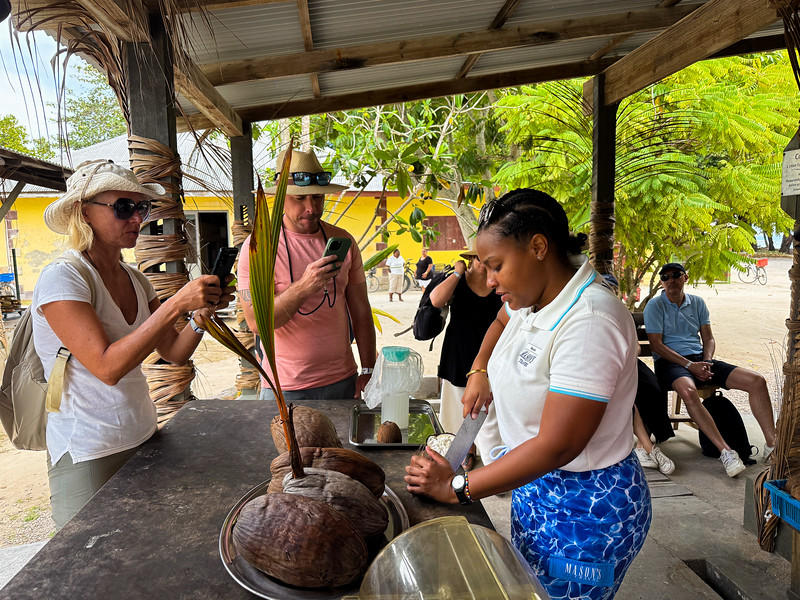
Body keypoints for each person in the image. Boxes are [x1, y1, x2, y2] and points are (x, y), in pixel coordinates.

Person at [405, 188, 651, 600]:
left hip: (585, 511)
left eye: (496, 265)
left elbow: (557, 446)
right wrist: (480, 368)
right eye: (484, 267)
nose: (489, 280)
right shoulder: (534, 297)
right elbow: (502, 321)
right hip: (538, 493)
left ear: (538, 247)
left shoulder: (589, 321)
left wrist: (457, 487)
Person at [33, 159, 234, 529]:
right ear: (84, 211)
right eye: (123, 207)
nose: (136, 219)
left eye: (141, 207)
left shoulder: (137, 280)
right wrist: (177, 302)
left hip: (143, 433)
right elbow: (107, 368)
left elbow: (173, 351)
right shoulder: (64, 277)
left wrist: (201, 315)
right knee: (86, 567)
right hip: (89, 448)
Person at [238, 149, 376, 401]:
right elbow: (257, 323)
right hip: (284, 386)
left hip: (343, 380)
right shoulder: (259, 247)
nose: (311, 208)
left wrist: (368, 370)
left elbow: (361, 310)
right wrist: (304, 286)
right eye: (300, 198)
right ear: (281, 198)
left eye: (317, 197)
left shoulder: (344, 240)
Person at [643, 262, 776, 477]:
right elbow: (657, 345)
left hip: (700, 359)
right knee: (688, 391)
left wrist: (706, 361)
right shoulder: (655, 306)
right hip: (672, 364)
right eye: (665, 277)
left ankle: (772, 445)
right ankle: (726, 452)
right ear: (661, 282)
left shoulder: (697, 303)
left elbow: (709, 338)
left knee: (757, 380)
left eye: (676, 275)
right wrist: (690, 366)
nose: (671, 280)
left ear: (685, 278)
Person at [430, 245, 502, 470]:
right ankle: (465, 449)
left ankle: (491, 454)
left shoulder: (497, 282)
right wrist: (457, 273)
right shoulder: (458, 280)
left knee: (489, 405)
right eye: (479, 258)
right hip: (459, 351)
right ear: (471, 258)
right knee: (460, 403)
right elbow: (435, 300)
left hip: (489, 352)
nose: (485, 263)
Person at [601, 273, 675, 475]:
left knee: (652, 387)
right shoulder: (589, 312)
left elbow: (637, 349)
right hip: (602, 366)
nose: (608, 291)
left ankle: (644, 447)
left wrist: (624, 358)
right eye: (604, 287)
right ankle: (650, 448)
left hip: (627, 362)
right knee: (627, 397)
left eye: (611, 288)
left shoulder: (620, 313)